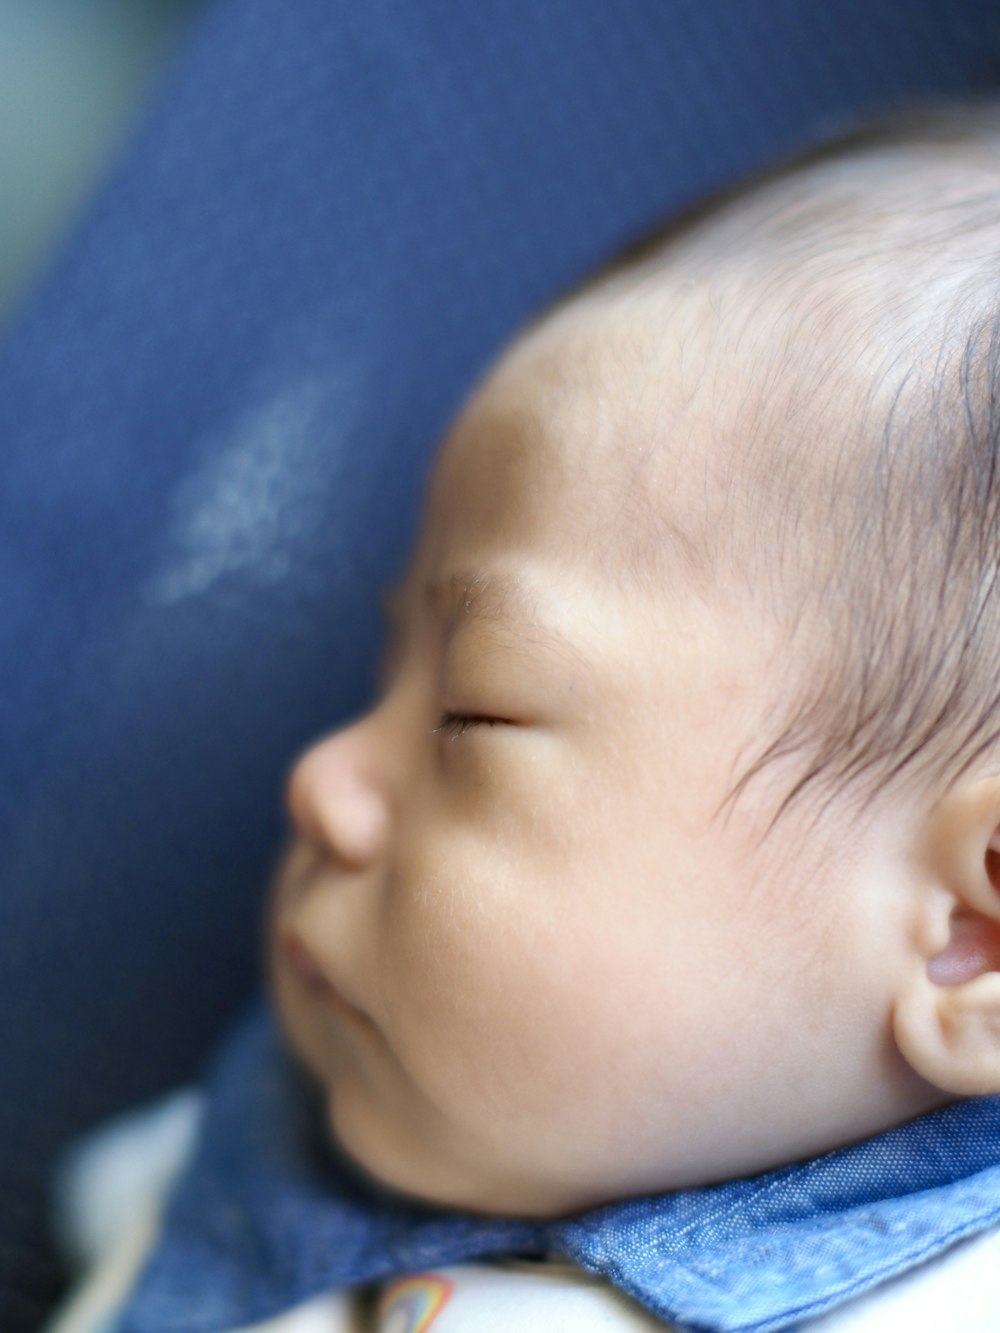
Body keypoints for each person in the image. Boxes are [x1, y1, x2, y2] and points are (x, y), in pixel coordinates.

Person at [45, 102, 1000, 1333]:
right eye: (386, 672)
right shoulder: (273, 1118)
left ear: (969, 931)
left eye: (469, 717)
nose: (321, 777)